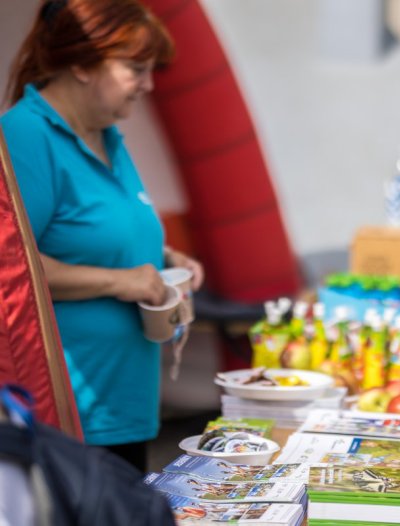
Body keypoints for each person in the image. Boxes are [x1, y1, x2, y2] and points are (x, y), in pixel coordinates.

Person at [1, 0, 204, 472]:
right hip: (70, 412)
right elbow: (15, 271)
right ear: (80, 65)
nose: (148, 85)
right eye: (136, 69)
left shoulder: (108, 133)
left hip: (124, 406)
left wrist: (167, 256)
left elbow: (97, 233)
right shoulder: (25, 136)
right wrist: (120, 281)